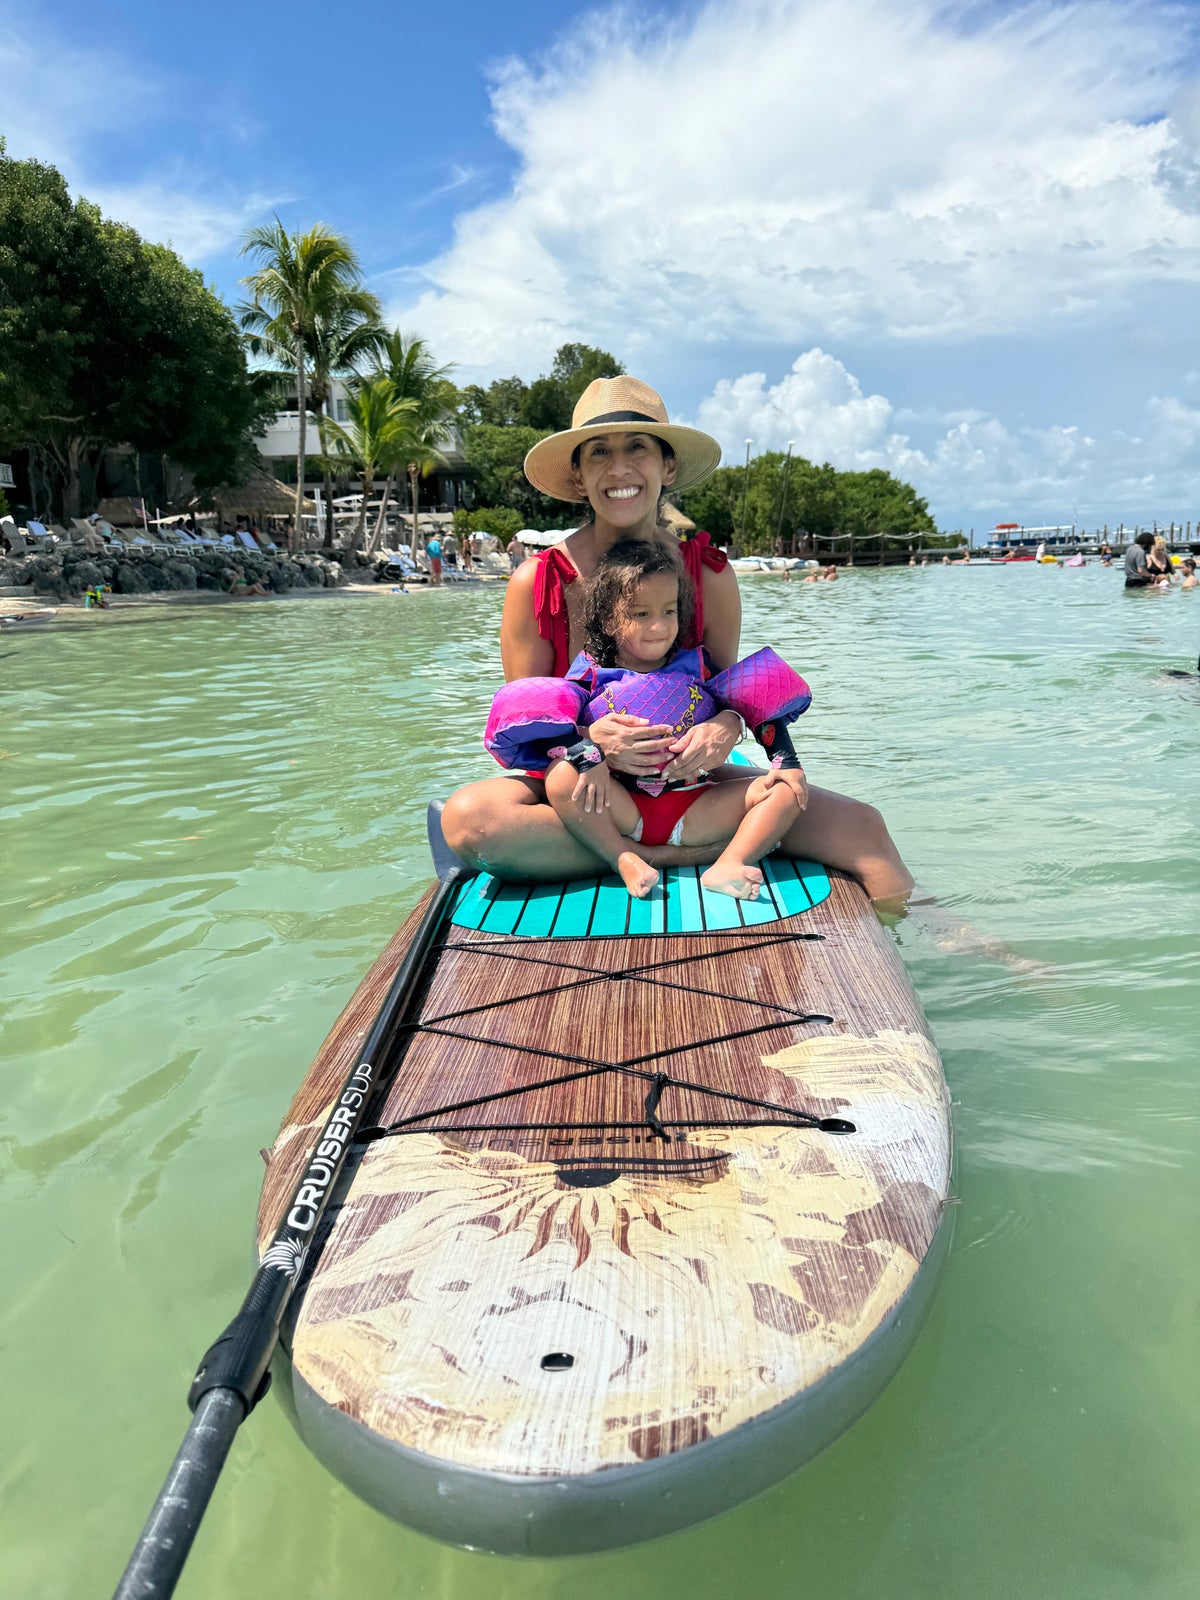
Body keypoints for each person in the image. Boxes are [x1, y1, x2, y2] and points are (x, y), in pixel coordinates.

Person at [438, 375, 914, 904]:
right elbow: (528, 721)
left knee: (864, 827)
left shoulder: (708, 573)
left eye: (637, 447)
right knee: (471, 822)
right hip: (584, 782)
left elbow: (733, 695)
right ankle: (685, 851)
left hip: (687, 776)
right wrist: (593, 743)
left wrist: (726, 728)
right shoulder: (538, 580)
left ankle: (946, 941)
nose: (620, 469)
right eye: (599, 452)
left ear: (667, 466)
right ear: (578, 475)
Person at [486, 540, 810, 901]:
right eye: (641, 614)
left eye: (668, 612)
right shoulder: (591, 675)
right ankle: (622, 856)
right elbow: (552, 726)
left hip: (695, 802)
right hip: (618, 806)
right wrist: (589, 756)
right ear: (609, 620)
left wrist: (786, 760)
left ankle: (730, 863)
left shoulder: (698, 666)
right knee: (563, 775)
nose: (658, 626)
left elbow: (754, 699)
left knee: (787, 790)